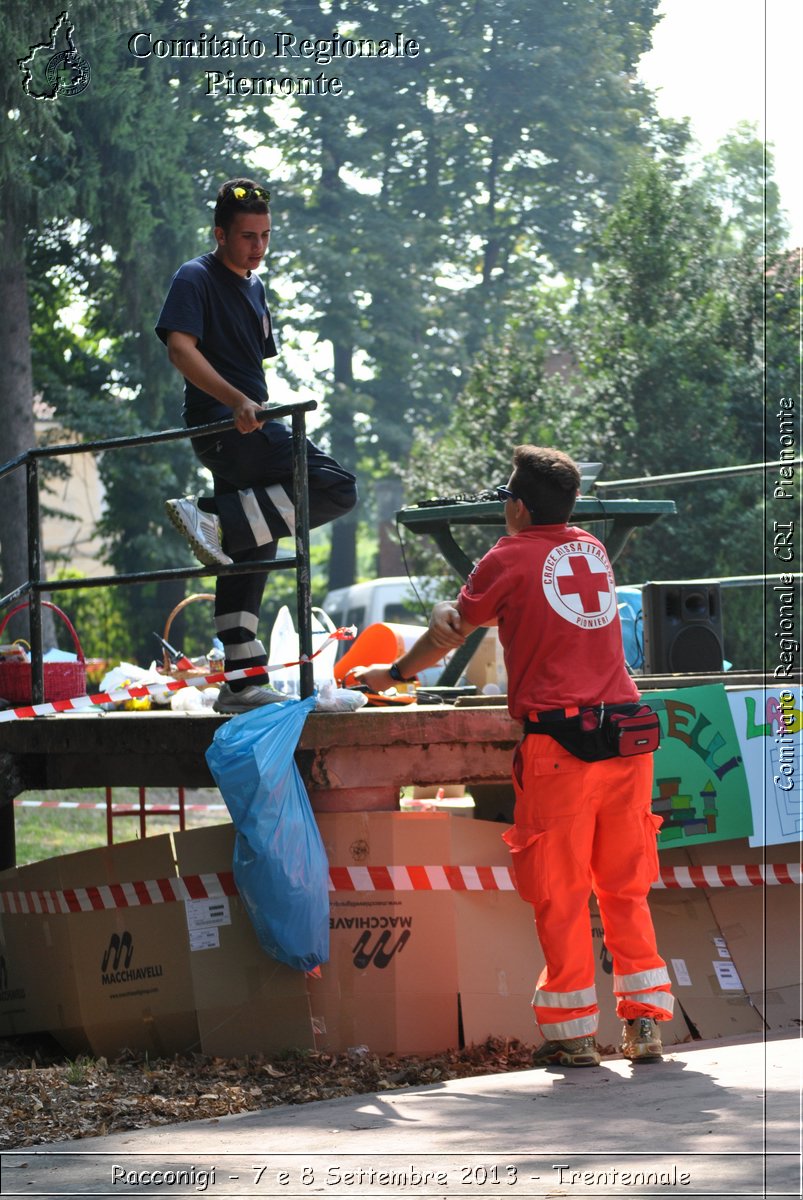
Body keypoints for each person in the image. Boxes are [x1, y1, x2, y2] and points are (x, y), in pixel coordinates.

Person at [352, 445, 673, 1067]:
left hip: (560, 747)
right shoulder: (592, 550)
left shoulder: (507, 555)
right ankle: (646, 1027)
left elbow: (453, 629)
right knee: (624, 888)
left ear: (517, 507)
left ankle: (575, 1037)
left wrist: (389, 674)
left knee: (559, 891)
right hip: (628, 742)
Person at [156, 178, 357, 713]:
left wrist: (252, 401)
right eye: (247, 236)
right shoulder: (195, 276)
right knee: (338, 489)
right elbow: (180, 349)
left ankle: (242, 684)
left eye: (265, 235)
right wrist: (238, 401)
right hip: (223, 425)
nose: (258, 247)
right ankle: (211, 514)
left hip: (247, 421)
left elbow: (253, 368)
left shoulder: (255, 286)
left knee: (251, 548)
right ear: (219, 233)